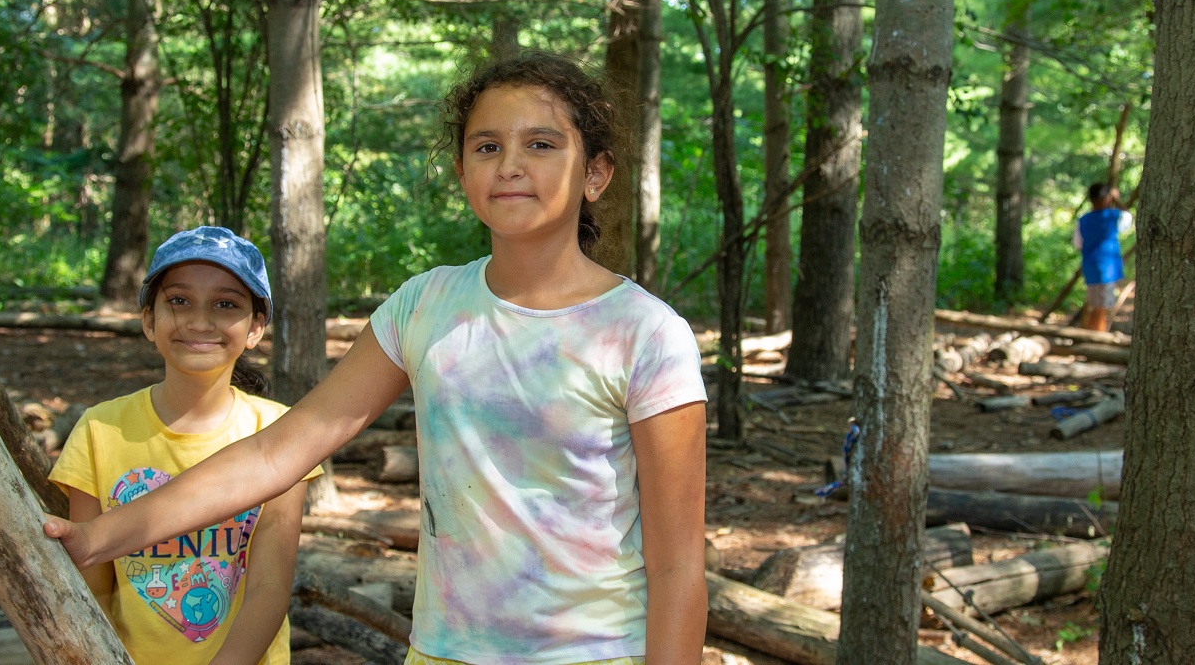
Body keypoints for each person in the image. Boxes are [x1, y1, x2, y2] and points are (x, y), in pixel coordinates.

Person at [46, 53, 709, 665]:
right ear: (462, 172)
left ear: (596, 173)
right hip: (442, 652)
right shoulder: (425, 306)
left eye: (541, 143)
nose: (510, 164)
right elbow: (277, 453)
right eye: (487, 146)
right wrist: (102, 535)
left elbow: (679, 566)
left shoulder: (645, 333)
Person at [49, 226, 321, 665]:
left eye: (226, 304)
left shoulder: (278, 431)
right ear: (148, 320)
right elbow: (93, 585)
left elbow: (270, 586)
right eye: (178, 300)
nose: (199, 321)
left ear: (255, 327)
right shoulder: (99, 431)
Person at [1073, 182, 1133, 332]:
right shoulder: (1113, 216)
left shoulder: (1084, 220)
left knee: (1095, 304)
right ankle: (1096, 337)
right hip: (1107, 269)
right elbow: (1127, 217)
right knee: (1102, 308)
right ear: (1107, 198)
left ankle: (1089, 335)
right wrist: (1117, 199)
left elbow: (1077, 243)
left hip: (1090, 266)